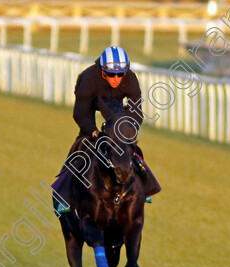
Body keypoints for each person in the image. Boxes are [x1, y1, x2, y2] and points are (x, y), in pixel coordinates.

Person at [53, 46, 161, 213]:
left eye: (120, 74)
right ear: (103, 71)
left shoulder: (130, 78)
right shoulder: (89, 78)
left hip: (118, 111)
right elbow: (80, 112)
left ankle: (144, 186)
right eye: (111, 74)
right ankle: (63, 196)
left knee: (131, 149)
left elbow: (136, 111)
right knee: (82, 147)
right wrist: (94, 132)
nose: (116, 78)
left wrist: (128, 131)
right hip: (91, 106)